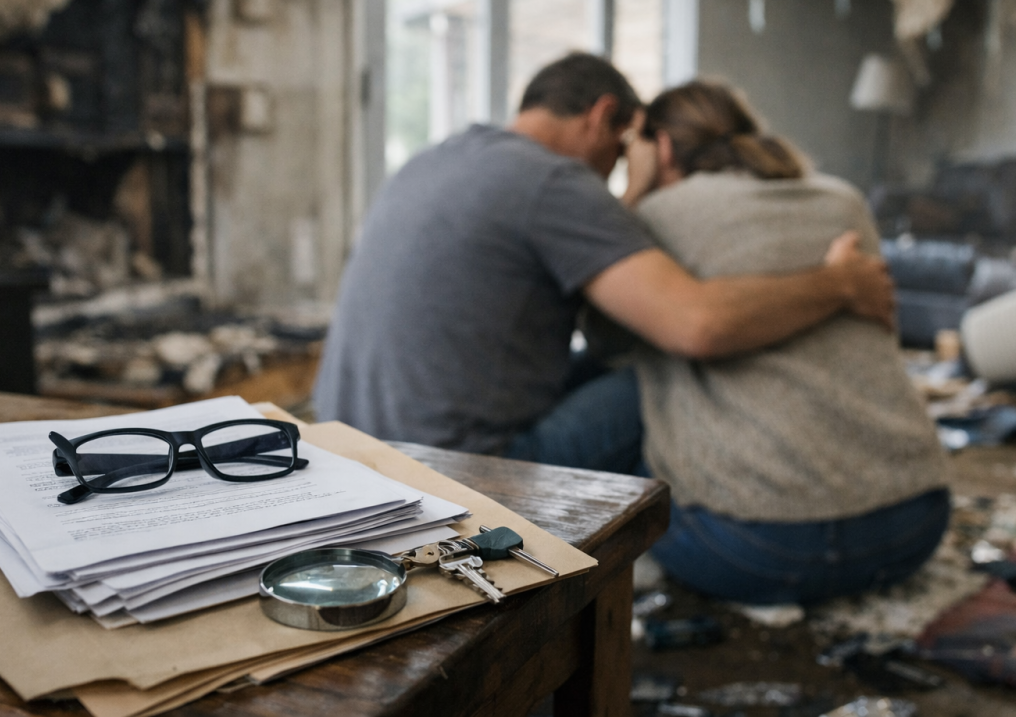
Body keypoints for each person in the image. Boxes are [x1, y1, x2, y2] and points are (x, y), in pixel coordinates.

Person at [313, 52, 895, 473]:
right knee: (676, 373)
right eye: (621, 151)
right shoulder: (553, 180)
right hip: (459, 471)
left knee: (609, 363)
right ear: (603, 114)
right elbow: (698, 326)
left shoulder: (438, 157)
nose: (618, 169)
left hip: (353, 450)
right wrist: (840, 283)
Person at [625, 80, 949, 604]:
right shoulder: (844, 199)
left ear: (660, 147)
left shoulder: (658, 215)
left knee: (626, 468)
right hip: (914, 522)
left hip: (759, 547)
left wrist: (634, 194)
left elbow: (604, 335)